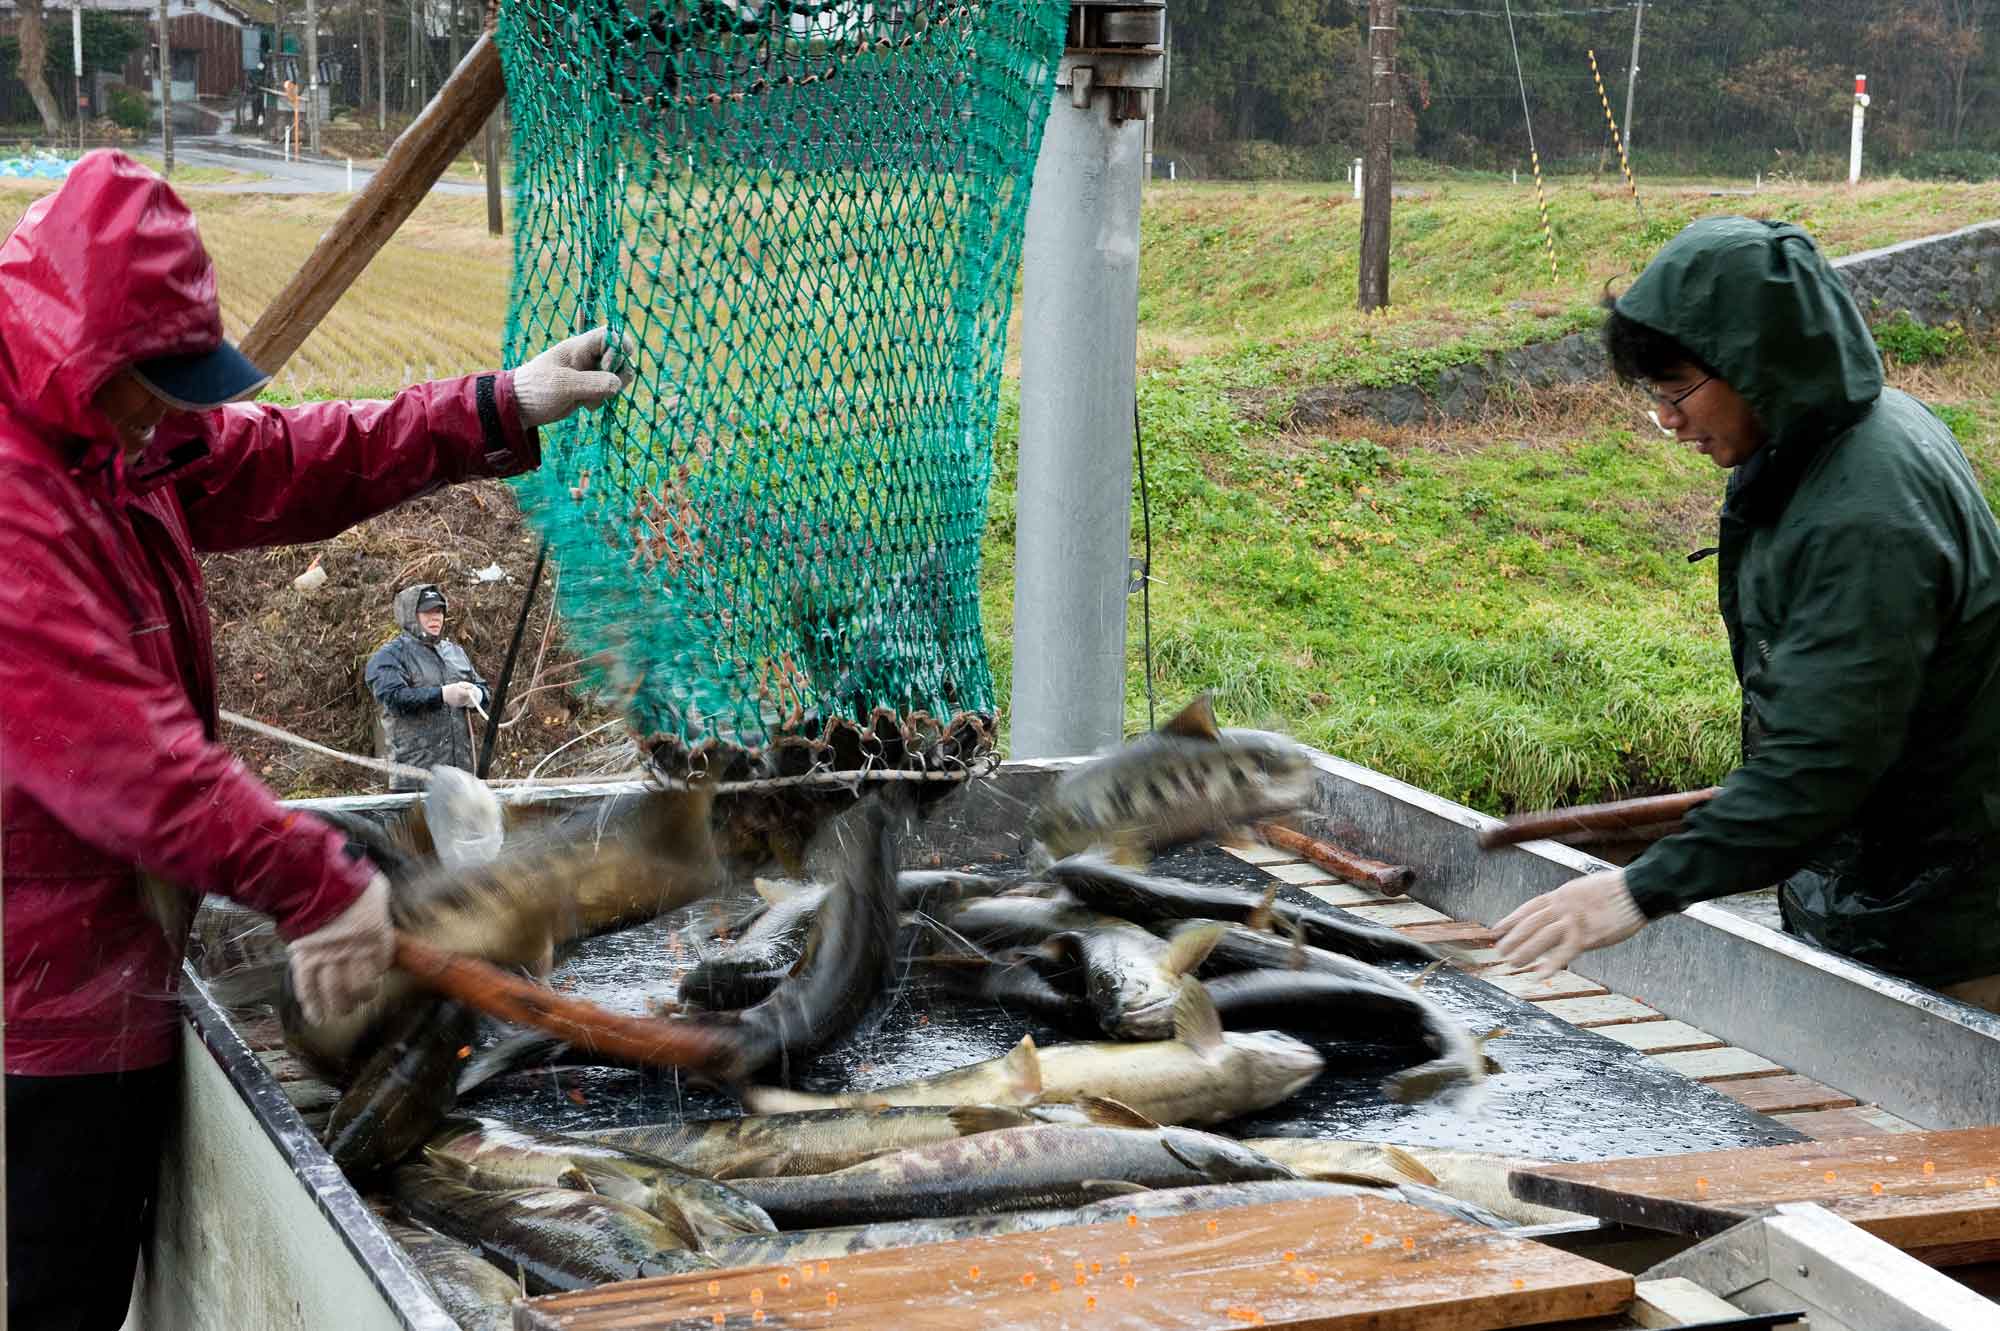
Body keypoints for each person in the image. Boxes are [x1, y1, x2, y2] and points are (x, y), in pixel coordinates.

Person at [0, 149, 633, 1329]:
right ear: (99, 355)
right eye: (163, 383)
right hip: (38, 990)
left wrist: (495, 407)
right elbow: (118, 753)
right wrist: (316, 887)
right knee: (57, 1290)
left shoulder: (105, 423)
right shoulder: (18, 494)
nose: (179, 411)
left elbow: (283, 456)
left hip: (110, 940)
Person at [1494, 216, 2000, 1015]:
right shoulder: (1815, 443)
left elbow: (1821, 762)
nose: (1667, 419)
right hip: (1871, 886)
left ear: (1756, 366)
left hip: (1946, 919)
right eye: (1653, 396)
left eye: (1677, 391)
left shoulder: (1864, 511)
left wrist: (1634, 890)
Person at [367, 584, 491, 791]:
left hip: (460, 775)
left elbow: (484, 690)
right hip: (414, 778)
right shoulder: (390, 655)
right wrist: (441, 695)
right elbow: (395, 699)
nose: (435, 618)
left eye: (439, 611)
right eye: (427, 612)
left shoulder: (455, 653)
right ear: (410, 615)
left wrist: (477, 695)